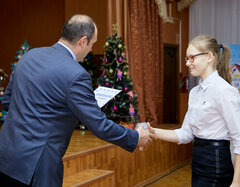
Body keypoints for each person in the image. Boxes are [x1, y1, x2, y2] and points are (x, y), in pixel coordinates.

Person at [0, 14, 154, 187]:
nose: (90, 50)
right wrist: (135, 137)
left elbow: (7, 102)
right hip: (38, 165)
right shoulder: (76, 74)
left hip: (6, 155)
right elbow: (99, 126)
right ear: (82, 41)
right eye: (92, 44)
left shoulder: (29, 56)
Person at [148, 34, 240, 187]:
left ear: (209, 56)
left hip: (216, 164)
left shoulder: (224, 91)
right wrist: (154, 132)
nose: (188, 63)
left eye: (192, 58)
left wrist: (237, 182)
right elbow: (186, 133)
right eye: (186, 59)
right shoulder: (195, 92)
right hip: (198, 162)